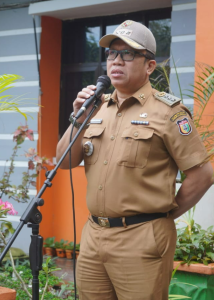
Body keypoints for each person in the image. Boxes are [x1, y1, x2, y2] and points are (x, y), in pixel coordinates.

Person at [56, 20, 214, 300]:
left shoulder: (169, 112)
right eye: (112, 54)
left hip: (142, 238)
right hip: (94, 236)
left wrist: (166, 214)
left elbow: (203, 174)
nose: (117, 61)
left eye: (128, 54)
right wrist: (79, 116)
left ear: (150, 66)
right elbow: (64, 161)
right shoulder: (97, 107)